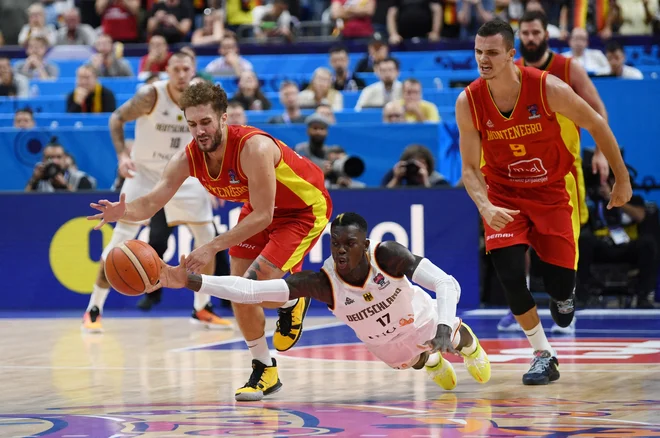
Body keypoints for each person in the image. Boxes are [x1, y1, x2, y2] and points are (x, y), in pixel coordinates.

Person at [87, 81, 333, 402]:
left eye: (205, 122)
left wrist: (211, 246)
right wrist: (125, 210)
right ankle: (264, 366)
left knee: (254, 286)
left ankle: (294, 297)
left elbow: (263, 216)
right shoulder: (187, 157)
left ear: (223, 118)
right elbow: (151, 202)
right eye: (191, 124)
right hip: (259, 206)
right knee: (238, 291)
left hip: (302, 209)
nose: (199, 131)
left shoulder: (252, 147)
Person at [456, 19, 632, 385]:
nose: (483, 60)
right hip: (504, 194)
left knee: (559, 287)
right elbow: (470, 170)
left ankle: (564, 297)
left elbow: (598, 123)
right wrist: (486, 207)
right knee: (509, 275)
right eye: (478, 52)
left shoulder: (547, 87)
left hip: (551, 190)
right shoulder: (469, 100)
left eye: (491, 53)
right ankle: (543, 354)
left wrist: (622, 177)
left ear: (510, 55)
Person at [151, 212, 492, 390]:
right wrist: (192, 280)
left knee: (445, 336)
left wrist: (446, 326)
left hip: (420, 320)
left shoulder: (387, 255)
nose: (341, 249)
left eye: (350, 242)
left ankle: (470, 345)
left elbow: (446, 283)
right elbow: (250, 291)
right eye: (335, 243)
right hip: (383, 344)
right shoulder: (322, 283)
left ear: (366, 242)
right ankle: (429, 364)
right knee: (412, 361)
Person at [82, 51, 232, 333]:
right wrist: (121, 157)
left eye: (186, 68)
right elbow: (116, 119)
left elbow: (215, 137)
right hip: (145, 174)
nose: (181, 73)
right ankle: (94, 308)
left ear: (193, 70)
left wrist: (213, 178)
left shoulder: (202, 97)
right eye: (175, 68)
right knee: (119, 241)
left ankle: (202, 308)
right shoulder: (151, 95)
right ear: (167, 70)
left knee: (207, 239)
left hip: (185, 174)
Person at [498, 10, 611, 334]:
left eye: (536, 33)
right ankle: (521, 304)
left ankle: (565, 298)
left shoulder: (566, 67)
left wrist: (601, 152)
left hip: (563, 171)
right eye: (526, 33)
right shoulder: (513, 70)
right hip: (522, 171)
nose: (531, 38)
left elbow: (597, 110)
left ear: (546, 34)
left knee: (564, 239)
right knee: (519, 239)